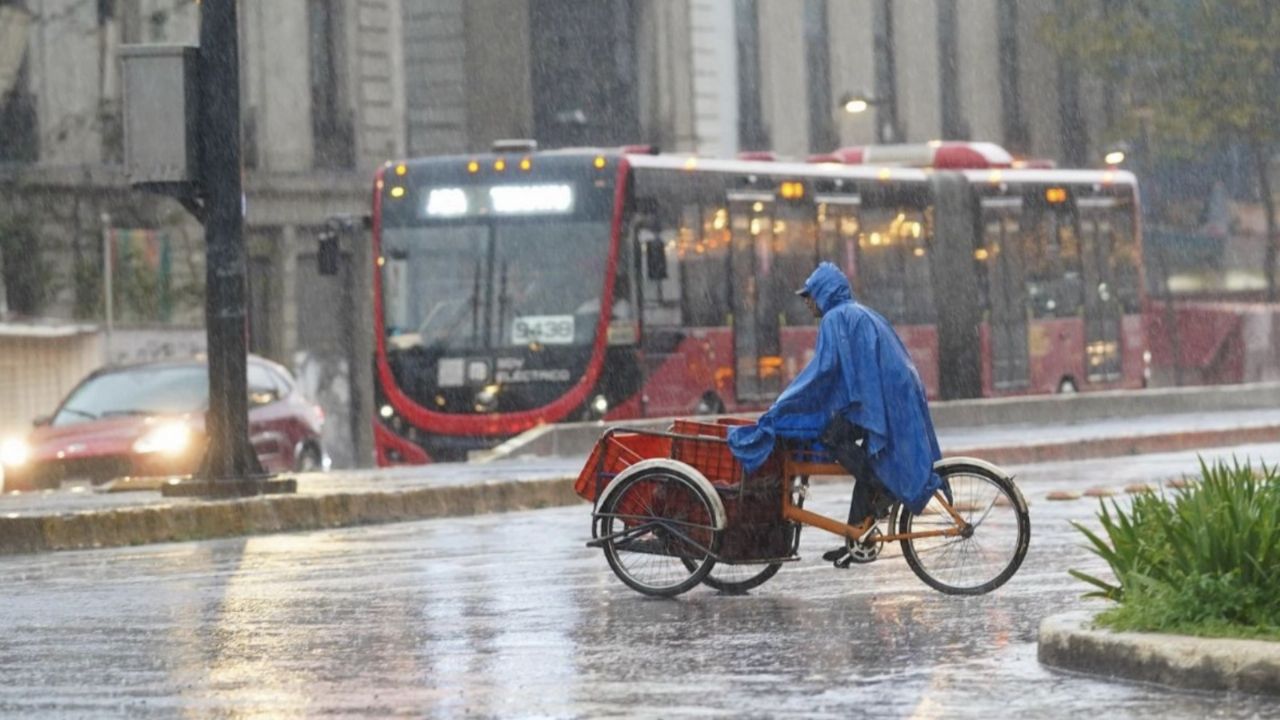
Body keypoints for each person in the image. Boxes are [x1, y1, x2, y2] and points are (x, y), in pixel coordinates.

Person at [728, 261, 944, 566]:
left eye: (809, 295)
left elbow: (823, 371)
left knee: (833, 437)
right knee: (864, 459)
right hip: (893, 391)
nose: (806, 302)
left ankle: (879, 486)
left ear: (824, 293)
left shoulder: (836, 318)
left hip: (883, 395)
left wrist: (785, 404)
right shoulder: (858, 312)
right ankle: (857, 537)